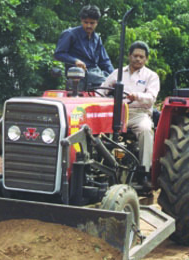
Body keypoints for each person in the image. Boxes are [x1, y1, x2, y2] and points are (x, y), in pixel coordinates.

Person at [100, 41, 160, 181]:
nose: (138, 59)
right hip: (116, 113)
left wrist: (136, 96)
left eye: (141, 57)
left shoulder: (151, 76)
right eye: (135, 56)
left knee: (145, 129)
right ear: (129, 56)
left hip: (138, 113)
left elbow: (151, 98)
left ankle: (144, 172)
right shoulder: (117, 73)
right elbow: (102, 90)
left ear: (146, 59)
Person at [54, 4, 114, 89]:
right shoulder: (70, 34)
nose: (88, 26)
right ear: (81, 20)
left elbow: (105, 61)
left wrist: (115, 75)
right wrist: (75, 61)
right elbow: (58, 54)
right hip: (78, 75)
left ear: (97, 23)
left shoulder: (97, 38)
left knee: (114, 83)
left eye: (92, 23)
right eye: (86, 22)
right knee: (106, 84)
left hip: (96, 74)